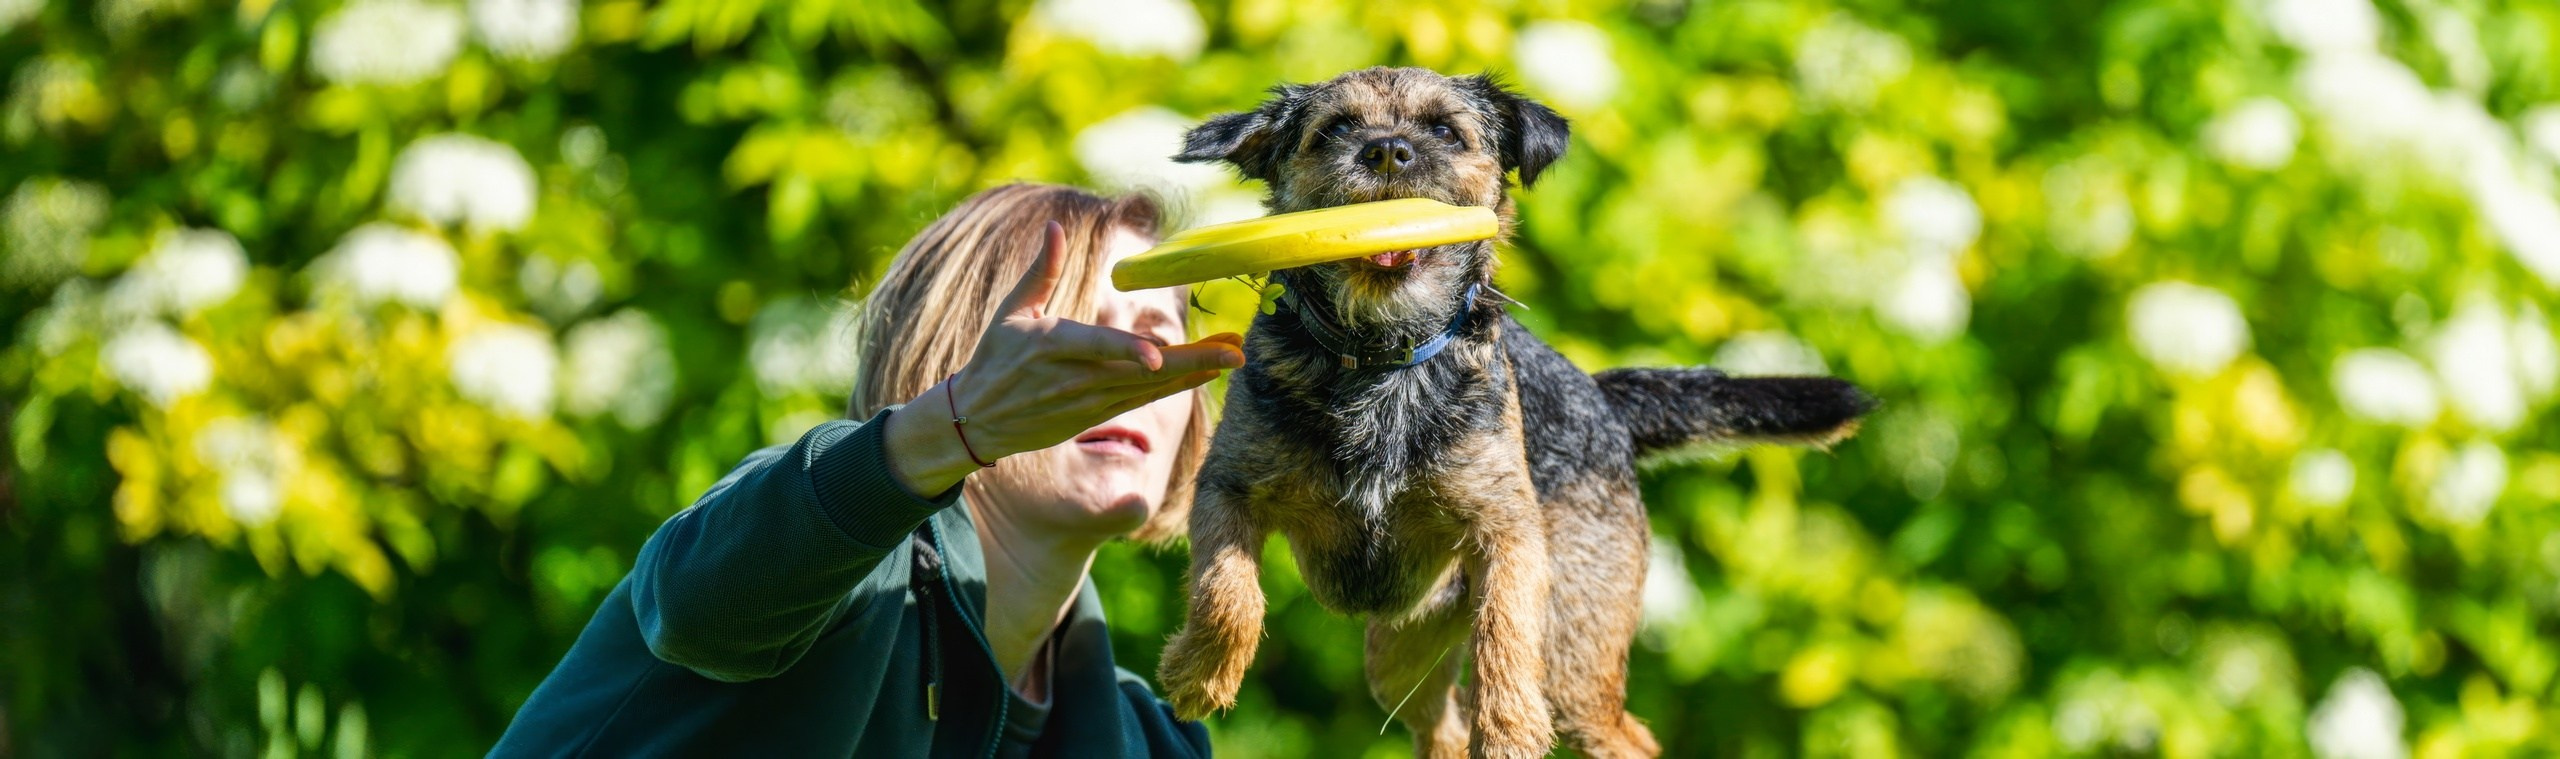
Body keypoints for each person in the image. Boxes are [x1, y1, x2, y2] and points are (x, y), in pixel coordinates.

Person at [491, 183, 1245, 757]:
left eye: (1159, 335)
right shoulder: (827, 553)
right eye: (1079, 329)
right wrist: (952, 428)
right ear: (962, 354)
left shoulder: (1154, 741)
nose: (1133, 367)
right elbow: (700, 608)